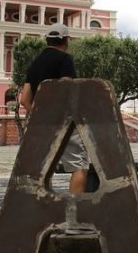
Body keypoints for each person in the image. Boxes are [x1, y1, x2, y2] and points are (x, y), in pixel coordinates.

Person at [20, 23, 89, 195]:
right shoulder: (65, 59)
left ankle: (41, 208)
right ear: (66, 40)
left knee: (42, 167)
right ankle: (74, 210)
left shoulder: (35, 63)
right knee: (78, 166)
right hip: (63, 121)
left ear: (47, 40)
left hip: (39, 123)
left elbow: (24, 100)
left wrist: (39, 114)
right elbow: (65, 89)